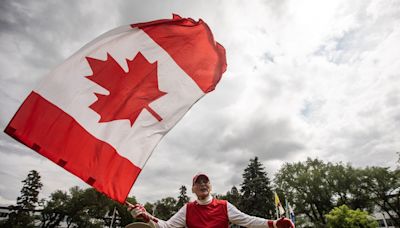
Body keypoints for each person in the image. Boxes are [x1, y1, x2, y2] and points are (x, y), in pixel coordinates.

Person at [127, 173, 295, 228]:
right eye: (197, 183)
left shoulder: (224, 206)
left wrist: (273, 224)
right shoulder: (187, 209)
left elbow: (248, 221)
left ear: (210, 186)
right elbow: (167, 226)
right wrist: (146, 216)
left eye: (205, 181)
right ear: (193, 189)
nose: (202, 184)